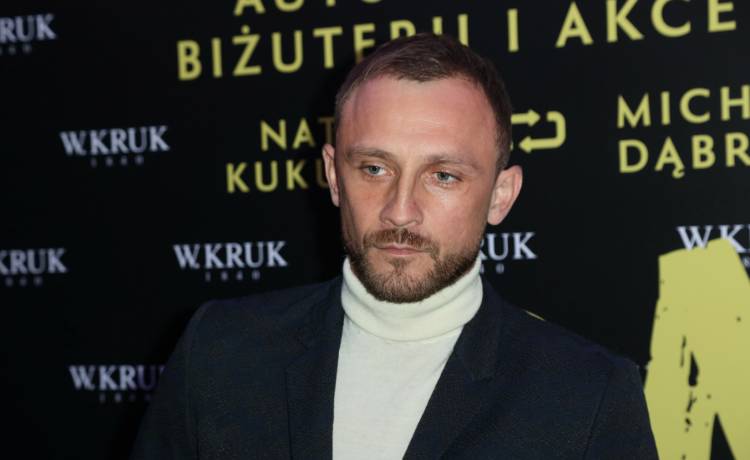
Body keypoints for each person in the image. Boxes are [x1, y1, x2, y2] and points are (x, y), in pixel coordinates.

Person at [131, 33, 657, 459]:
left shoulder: (587, 395)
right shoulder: (219, 352)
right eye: (374, 169)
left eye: (443, 176)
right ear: (333, 177)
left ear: (501, 196)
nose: (400, 211)